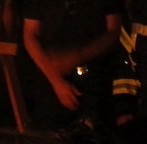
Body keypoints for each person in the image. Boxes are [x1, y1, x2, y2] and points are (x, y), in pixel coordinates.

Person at [22, 0, 124, 130]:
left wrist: (78, 56)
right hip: (50, 80)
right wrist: (56, 81)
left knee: (97, 138)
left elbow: (114, 31)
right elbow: (30, 36)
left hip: (95, 78)